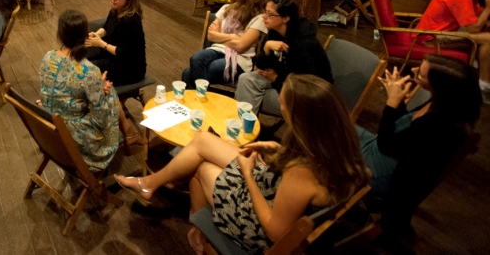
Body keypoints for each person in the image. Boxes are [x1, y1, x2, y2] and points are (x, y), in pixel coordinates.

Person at [115, 74, 369, 254]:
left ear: (302, 118)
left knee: (199, 168)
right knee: (203, 140)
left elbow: (274, 232)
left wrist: (248, 175)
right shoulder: (338, 145)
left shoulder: (302, 173)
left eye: (284, 105)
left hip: (257, 225)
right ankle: (150, 184)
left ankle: (199, 233)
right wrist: (278, 149)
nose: (280, 106)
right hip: (278, 189)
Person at [362, 56, 481, 239]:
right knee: (333, 126)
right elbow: (403, 133)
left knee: (325, 136)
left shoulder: (439, 124)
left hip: (387, 174)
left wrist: (392, 103)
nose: (414, 70)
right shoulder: (444, 104)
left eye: (421, 74)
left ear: (438, 86)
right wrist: (400, 101)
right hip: (391, 154)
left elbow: (387, 145)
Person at [37, 10, 134, 170]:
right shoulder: (88, 71)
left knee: (105, 94)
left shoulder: (48, 57)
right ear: (84, 36)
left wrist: (97, 87)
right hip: (74, 139)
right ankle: (129, 134)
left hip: (49, 130)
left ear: (60, 33)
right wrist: (101, 90)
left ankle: (130, 134)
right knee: (111, 97)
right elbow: (100, 119)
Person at [235, 0, 333, 116]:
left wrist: (276, 79)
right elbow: (261, 67)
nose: (264, 16)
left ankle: (248, 126)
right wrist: (266, 48)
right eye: (265, 12)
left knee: (251, 90)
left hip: (310, 96)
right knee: (246, 79)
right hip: (284, 78)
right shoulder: (274, 32)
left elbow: (304, 84)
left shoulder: (303, 43)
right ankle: (244, 127)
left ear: (286, 18)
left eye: (270, 14)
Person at [414, 0, 490, 102]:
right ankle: (483, 86)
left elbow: (477, 18)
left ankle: (481, 81)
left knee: (486, 34)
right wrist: (488, 8)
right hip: (432, 38)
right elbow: (473, 28)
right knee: (488, 39)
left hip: (443, 33)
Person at [182, 0, 267, 87]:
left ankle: (199, 102)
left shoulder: (258, 18)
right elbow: (211, 36)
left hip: (239, 59)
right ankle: (202, 100)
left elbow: (241, 46)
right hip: (217, 49)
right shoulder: (226, 8)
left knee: (188, 74)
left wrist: (221, 37)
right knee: (196, 57)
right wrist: (233, 37)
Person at [84, 0, 146, 87]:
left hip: (129, 68)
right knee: (81, 62)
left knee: (84, 71)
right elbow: (106, 28)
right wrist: (97, 34)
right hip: (112, 59)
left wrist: (101, 44)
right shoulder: (115, 11)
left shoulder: (131, 21)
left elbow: (125, 53)